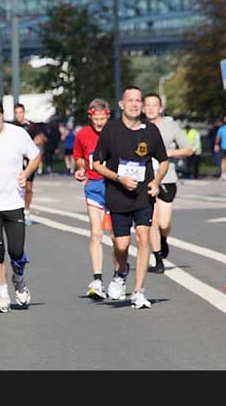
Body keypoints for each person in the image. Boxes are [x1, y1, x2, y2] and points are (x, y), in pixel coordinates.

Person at [92, 86, 169, 309]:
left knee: (143, 238)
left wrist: (156, 182)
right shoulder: (111, 130)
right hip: (118, 194)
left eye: (138, 100)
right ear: (121, 104)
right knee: (121, 244)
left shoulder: (150, 131)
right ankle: (121, 272)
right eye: (130, 100)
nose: (134, 104)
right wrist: (119, 178)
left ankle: (139, 291)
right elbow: (97, 164)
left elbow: (164, 161)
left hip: (144, 195)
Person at [0, 97, 41, 313]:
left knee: (16, 252)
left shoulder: (17, 134)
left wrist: (26, 173)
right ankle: (3, 296)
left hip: (14, 202)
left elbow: (35, 156)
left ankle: (19, 279)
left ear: (3, 115)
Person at [142, 93, 193, 274]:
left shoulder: (171, 126)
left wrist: (167, 154)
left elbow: (188, 149)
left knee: (163, 224)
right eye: (147, 105)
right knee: (152, 221)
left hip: (167, 178)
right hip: (146, 178)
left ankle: (163, 239)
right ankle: (158, 260)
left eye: (154, 105)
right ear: (143, 108)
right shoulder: (139, 126)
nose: (151, 109)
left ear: (160, 108)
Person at [72, 98, 118, 299]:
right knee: (96, 233)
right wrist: (81, 169)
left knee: (117, 236)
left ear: (108, 116)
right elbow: (79, 157)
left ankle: (118, 277)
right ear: (90, 117)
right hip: (94, 187)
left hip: (115, 186)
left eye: (102, 119)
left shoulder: (116, 132)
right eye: (95, 119)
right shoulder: (82, 135)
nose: (99, 123)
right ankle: (97, 279)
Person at [12, 103, 46, 225]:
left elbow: (42, 139)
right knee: (16, 186)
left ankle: (26, 211)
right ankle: (16, 211)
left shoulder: (31, 126)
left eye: (20, 112)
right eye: (16, 113)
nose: (19, 115)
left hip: (28, 161)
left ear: (24, 113)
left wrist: (34, 142)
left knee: (28, 187)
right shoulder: (11, 126)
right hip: (16, 161)